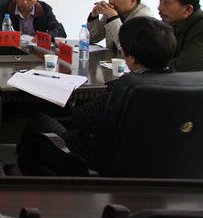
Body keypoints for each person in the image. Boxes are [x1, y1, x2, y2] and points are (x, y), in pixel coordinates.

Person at [18, 16, 177, 174]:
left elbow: (81, 118)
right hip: (158, 165)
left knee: (39, 121)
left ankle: (28, 180)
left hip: (94, 161)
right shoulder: (180, 84)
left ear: (132, 57)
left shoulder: (124, 88)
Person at [87, 0, 154, 51]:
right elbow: (93, 38)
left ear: (132, 0)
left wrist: (113, 18)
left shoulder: (145, 17)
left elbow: (128, 48)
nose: (110, 1)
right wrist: (94, 17)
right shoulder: (116, 10)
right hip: (111, 57)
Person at [158, 0, 203, 71]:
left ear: (187, 9)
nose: (159, 7)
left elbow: (184, 66)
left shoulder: (200, 29)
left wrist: (149, 63)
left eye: (166, 3)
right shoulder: (171, 23)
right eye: (160, 1)